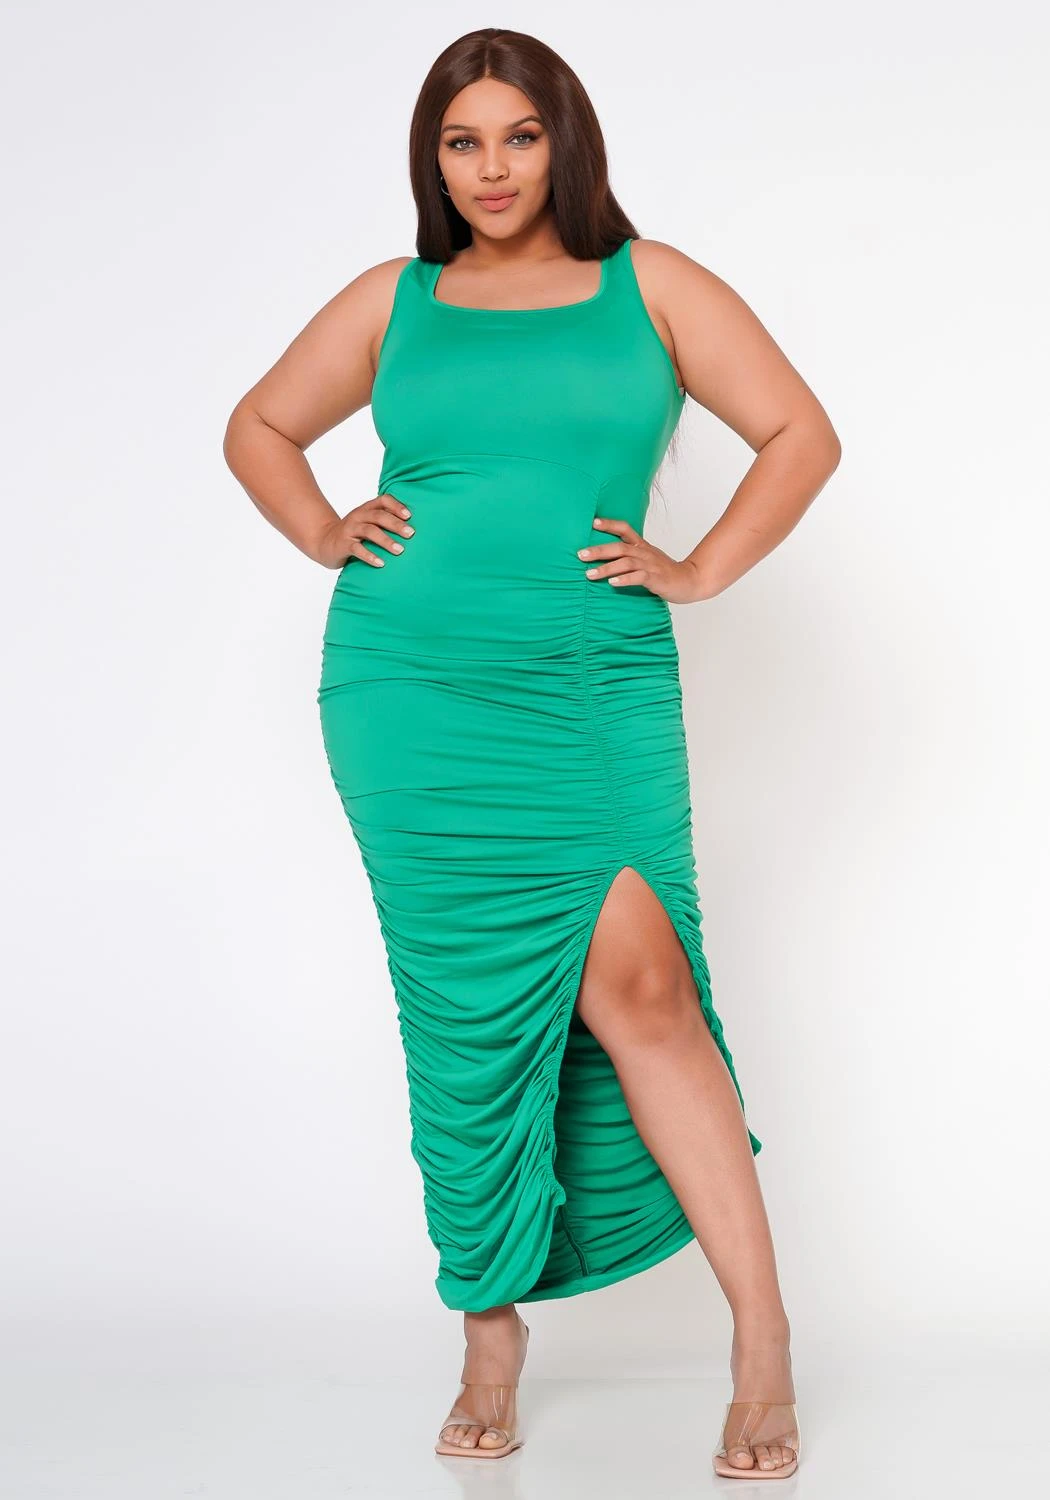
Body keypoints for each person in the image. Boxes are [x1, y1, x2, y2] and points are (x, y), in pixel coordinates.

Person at [223, 26, 839, 1480]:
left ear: (565, 140)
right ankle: (487, 1332)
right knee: (463, 1013)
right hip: (408, 692)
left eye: (517, 135)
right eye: (461, 142)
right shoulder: (396, 298)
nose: (491, 167)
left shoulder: (651, 285)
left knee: (646, 989)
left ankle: (761, 1340)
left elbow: (799, 434)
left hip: (585, 685)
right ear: (432, 161)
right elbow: (258, 426)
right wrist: (322, 528)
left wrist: (698, 567)